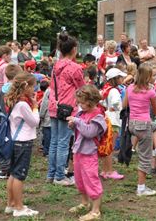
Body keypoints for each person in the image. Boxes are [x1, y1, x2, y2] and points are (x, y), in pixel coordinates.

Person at [47, 33, 85, 186]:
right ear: (74, 49)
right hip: (67, 108)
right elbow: (82, 88)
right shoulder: (75, 68)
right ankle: (59, 176)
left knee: (54, 142)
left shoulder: (56, 65)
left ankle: (51, 174)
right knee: (63, 142)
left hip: (54, 105)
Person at [123, 63, 156, 196]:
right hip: (143, 124)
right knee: (145, 157)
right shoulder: (150, 92)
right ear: (147, 77)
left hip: (133, 124)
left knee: (152, 128)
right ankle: (141, 188)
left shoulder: (130, 88)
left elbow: (125, 105)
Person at [67, 85, 107, 221]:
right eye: (79, 102)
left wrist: (77, 121)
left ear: (91, 101)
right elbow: (79, 129)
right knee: (79, 179)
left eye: (83, 102)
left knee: (91, 179)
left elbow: (90, 132)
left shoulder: (98, 116)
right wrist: (73, 124)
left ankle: (95, 211)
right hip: (78, 151)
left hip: (89, 153)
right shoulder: (82, 113)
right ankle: (84, 202)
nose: (80, 105)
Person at [5, 72, 40, 217]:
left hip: (15, 140)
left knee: (13, 173)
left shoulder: (13, 100)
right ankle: (19, 208)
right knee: (20, 175)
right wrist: (36, 107)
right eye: (32, 86)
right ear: (26, 86)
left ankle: (11, 204)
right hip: (24, 142)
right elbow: (35, 122)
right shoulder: (23, 104)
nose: (35, 88)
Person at [0, 64, 22, 179]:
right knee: (13, 143)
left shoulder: (2, 88)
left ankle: (3, 168)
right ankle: (9, 168)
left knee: (3, 142)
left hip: (3, 119)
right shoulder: (16, 89)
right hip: (13, 120)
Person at [100, 68, 126, 180]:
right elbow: (116, 103)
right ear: (115, 79)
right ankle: (109, 171)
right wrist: (119, 108)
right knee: (110, 147)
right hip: (114, 120)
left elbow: (101, 101)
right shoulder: (115, 91)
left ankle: (105, 170)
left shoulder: (106, 89)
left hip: (107, 118)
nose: (122, 79)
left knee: (107, 146)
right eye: (120, 77)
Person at [39, 80, 51, 157]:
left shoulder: (48, 91)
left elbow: (44, 105)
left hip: (48, 117)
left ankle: (46, 151)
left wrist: (41, 115)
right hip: (57, 117)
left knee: (47, 135)